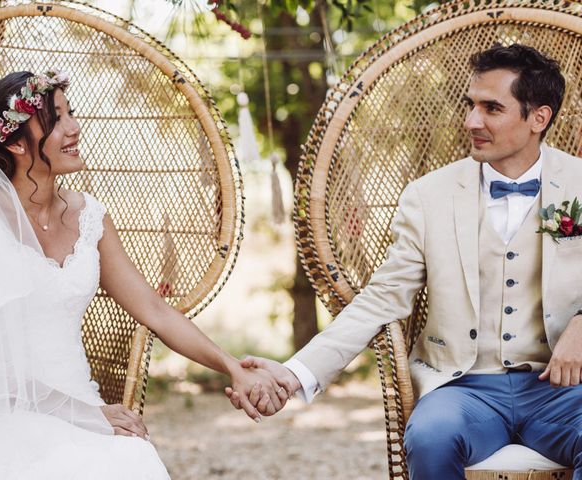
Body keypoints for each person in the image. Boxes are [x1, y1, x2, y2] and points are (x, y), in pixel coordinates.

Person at [227, 44, 582, 478]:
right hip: (463, 390)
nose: (472, 121)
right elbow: (382, 298)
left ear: (538, 118)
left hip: (565, 393)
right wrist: (294, 374)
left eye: (492, 108)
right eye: (470, 105)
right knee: (429, 437)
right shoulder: (428, 196)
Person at [0, 70, 288, 479]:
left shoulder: (90, 216)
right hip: (0, 415)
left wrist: (233, 368)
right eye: (56, 119)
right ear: (17, 142)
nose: (74, 128)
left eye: (72, 113)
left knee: (131, 461)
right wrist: (84, 414)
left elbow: (156, 310)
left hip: (84, 404)